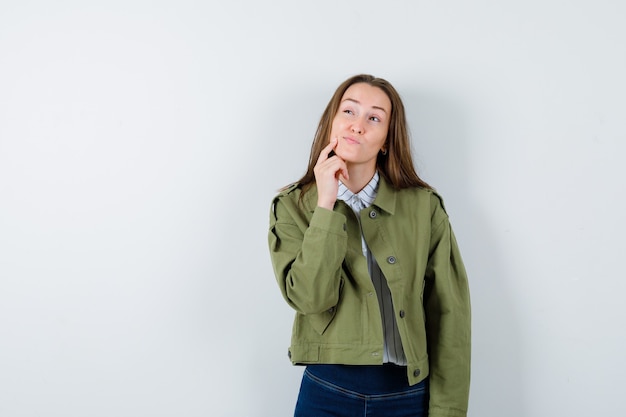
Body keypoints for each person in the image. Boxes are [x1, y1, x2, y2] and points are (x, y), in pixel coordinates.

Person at [268, 74, 471, 417]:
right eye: (349, 112)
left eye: (374, 118)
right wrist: (326, 207)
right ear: (331, 123)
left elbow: (450, 317)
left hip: (407, 396)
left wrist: (448, 411)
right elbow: (309, 298)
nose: (357, 126)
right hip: (326, 393)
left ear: (387, 140)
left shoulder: (424, 208)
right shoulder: (292, 206)